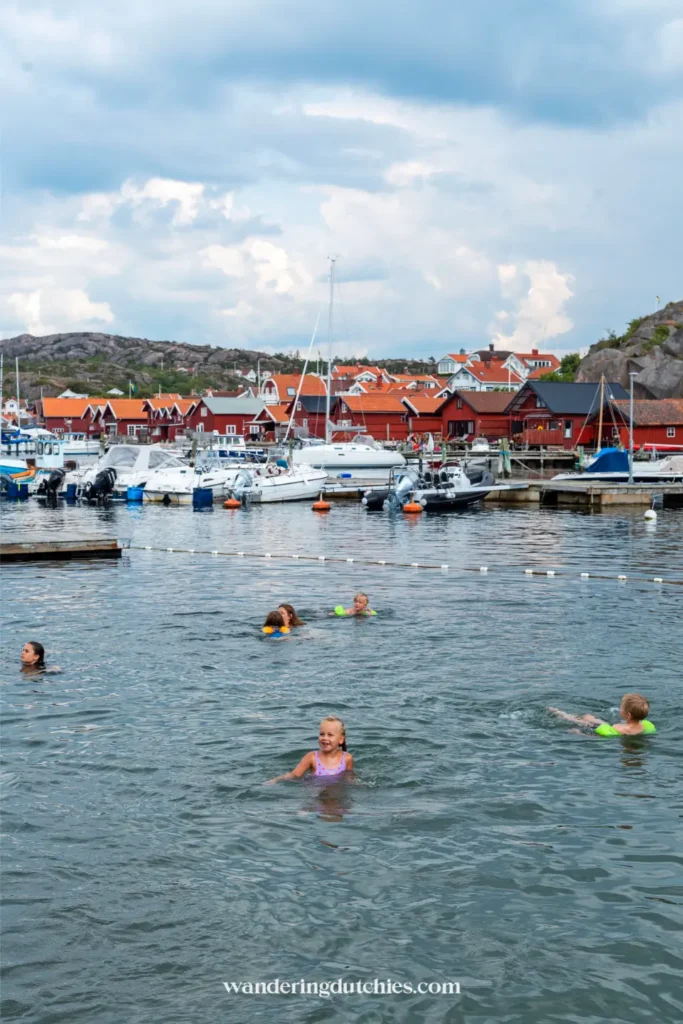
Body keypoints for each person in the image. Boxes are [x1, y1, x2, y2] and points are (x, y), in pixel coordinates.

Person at [267, 716, 353, 783]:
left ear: (341, 739)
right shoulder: (312, 757)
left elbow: (349, 779)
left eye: (330, 735)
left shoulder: (347, 759)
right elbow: (295, 774)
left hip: (336, 794)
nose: (324, 738)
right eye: (322, 734)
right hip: (315, 794)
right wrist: (276, 780)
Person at [548, 693, 656, 736]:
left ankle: (561, 714)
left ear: (628, 715)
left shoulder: (618, 728)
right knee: (591, 719)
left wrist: (578, 733)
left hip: (609, 730)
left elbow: (594, 736)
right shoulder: (644, 727)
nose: (620, 708)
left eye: (621, 707)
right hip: (614, 729)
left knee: (583, 720)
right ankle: (592, 719)